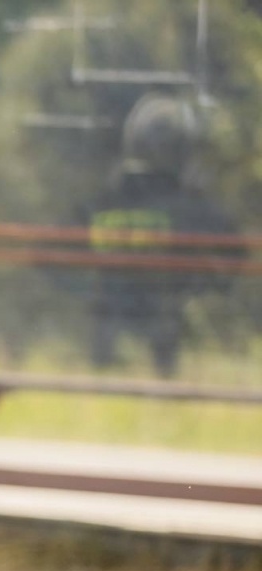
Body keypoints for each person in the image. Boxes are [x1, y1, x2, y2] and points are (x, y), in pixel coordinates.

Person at [84, 91, 237, 378]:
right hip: (158, 310)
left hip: (115, 310)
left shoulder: (107, 200)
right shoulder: (188, 206)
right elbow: (233, 252)